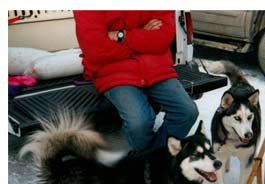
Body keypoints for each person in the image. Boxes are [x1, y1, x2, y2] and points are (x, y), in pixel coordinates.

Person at [73, 11, 199, 150]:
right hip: (114, 71)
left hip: (156, 66)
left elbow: (162, 38)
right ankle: (147, 162)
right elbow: (96, 48)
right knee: (139, 122)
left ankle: (154, 159)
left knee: (187, 111)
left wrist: (122, 35)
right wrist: (143, 36)